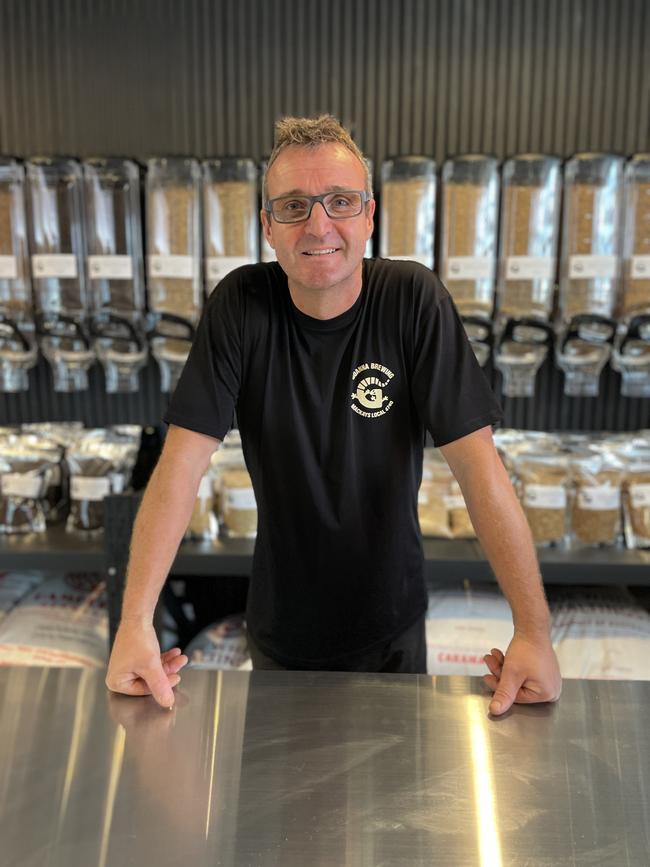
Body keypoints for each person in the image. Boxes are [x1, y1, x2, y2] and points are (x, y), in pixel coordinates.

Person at [106, 115, 561, 715]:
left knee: (399, 805)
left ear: (370, 216)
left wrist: (533, 631)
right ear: (268, 227)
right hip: (280, 633)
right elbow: (180, 466)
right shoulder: (239, 307)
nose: (318, 224)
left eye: (340, 202)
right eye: (294, 206)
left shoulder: (413, 301)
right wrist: (135, 620)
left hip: (392, 628)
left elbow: (480, 472)